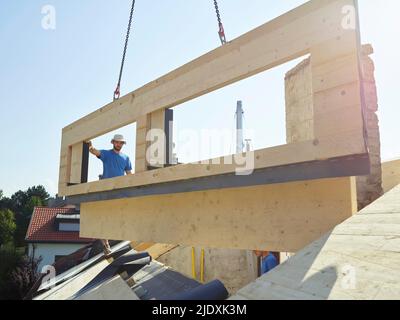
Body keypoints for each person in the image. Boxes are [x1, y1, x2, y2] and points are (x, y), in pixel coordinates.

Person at [85, 134, 133, 256]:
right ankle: (106, 245)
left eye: (121, 143)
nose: (119, 144)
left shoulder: (126, 158)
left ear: (123, 144)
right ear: (113, 142)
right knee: (104, 217)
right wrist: (89, 144)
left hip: (119, 191)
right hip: (106, 190)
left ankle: (119, 239)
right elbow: (94, 151)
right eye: (117, 142)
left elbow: (129, 175)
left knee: (118, 217)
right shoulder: (107, 154)